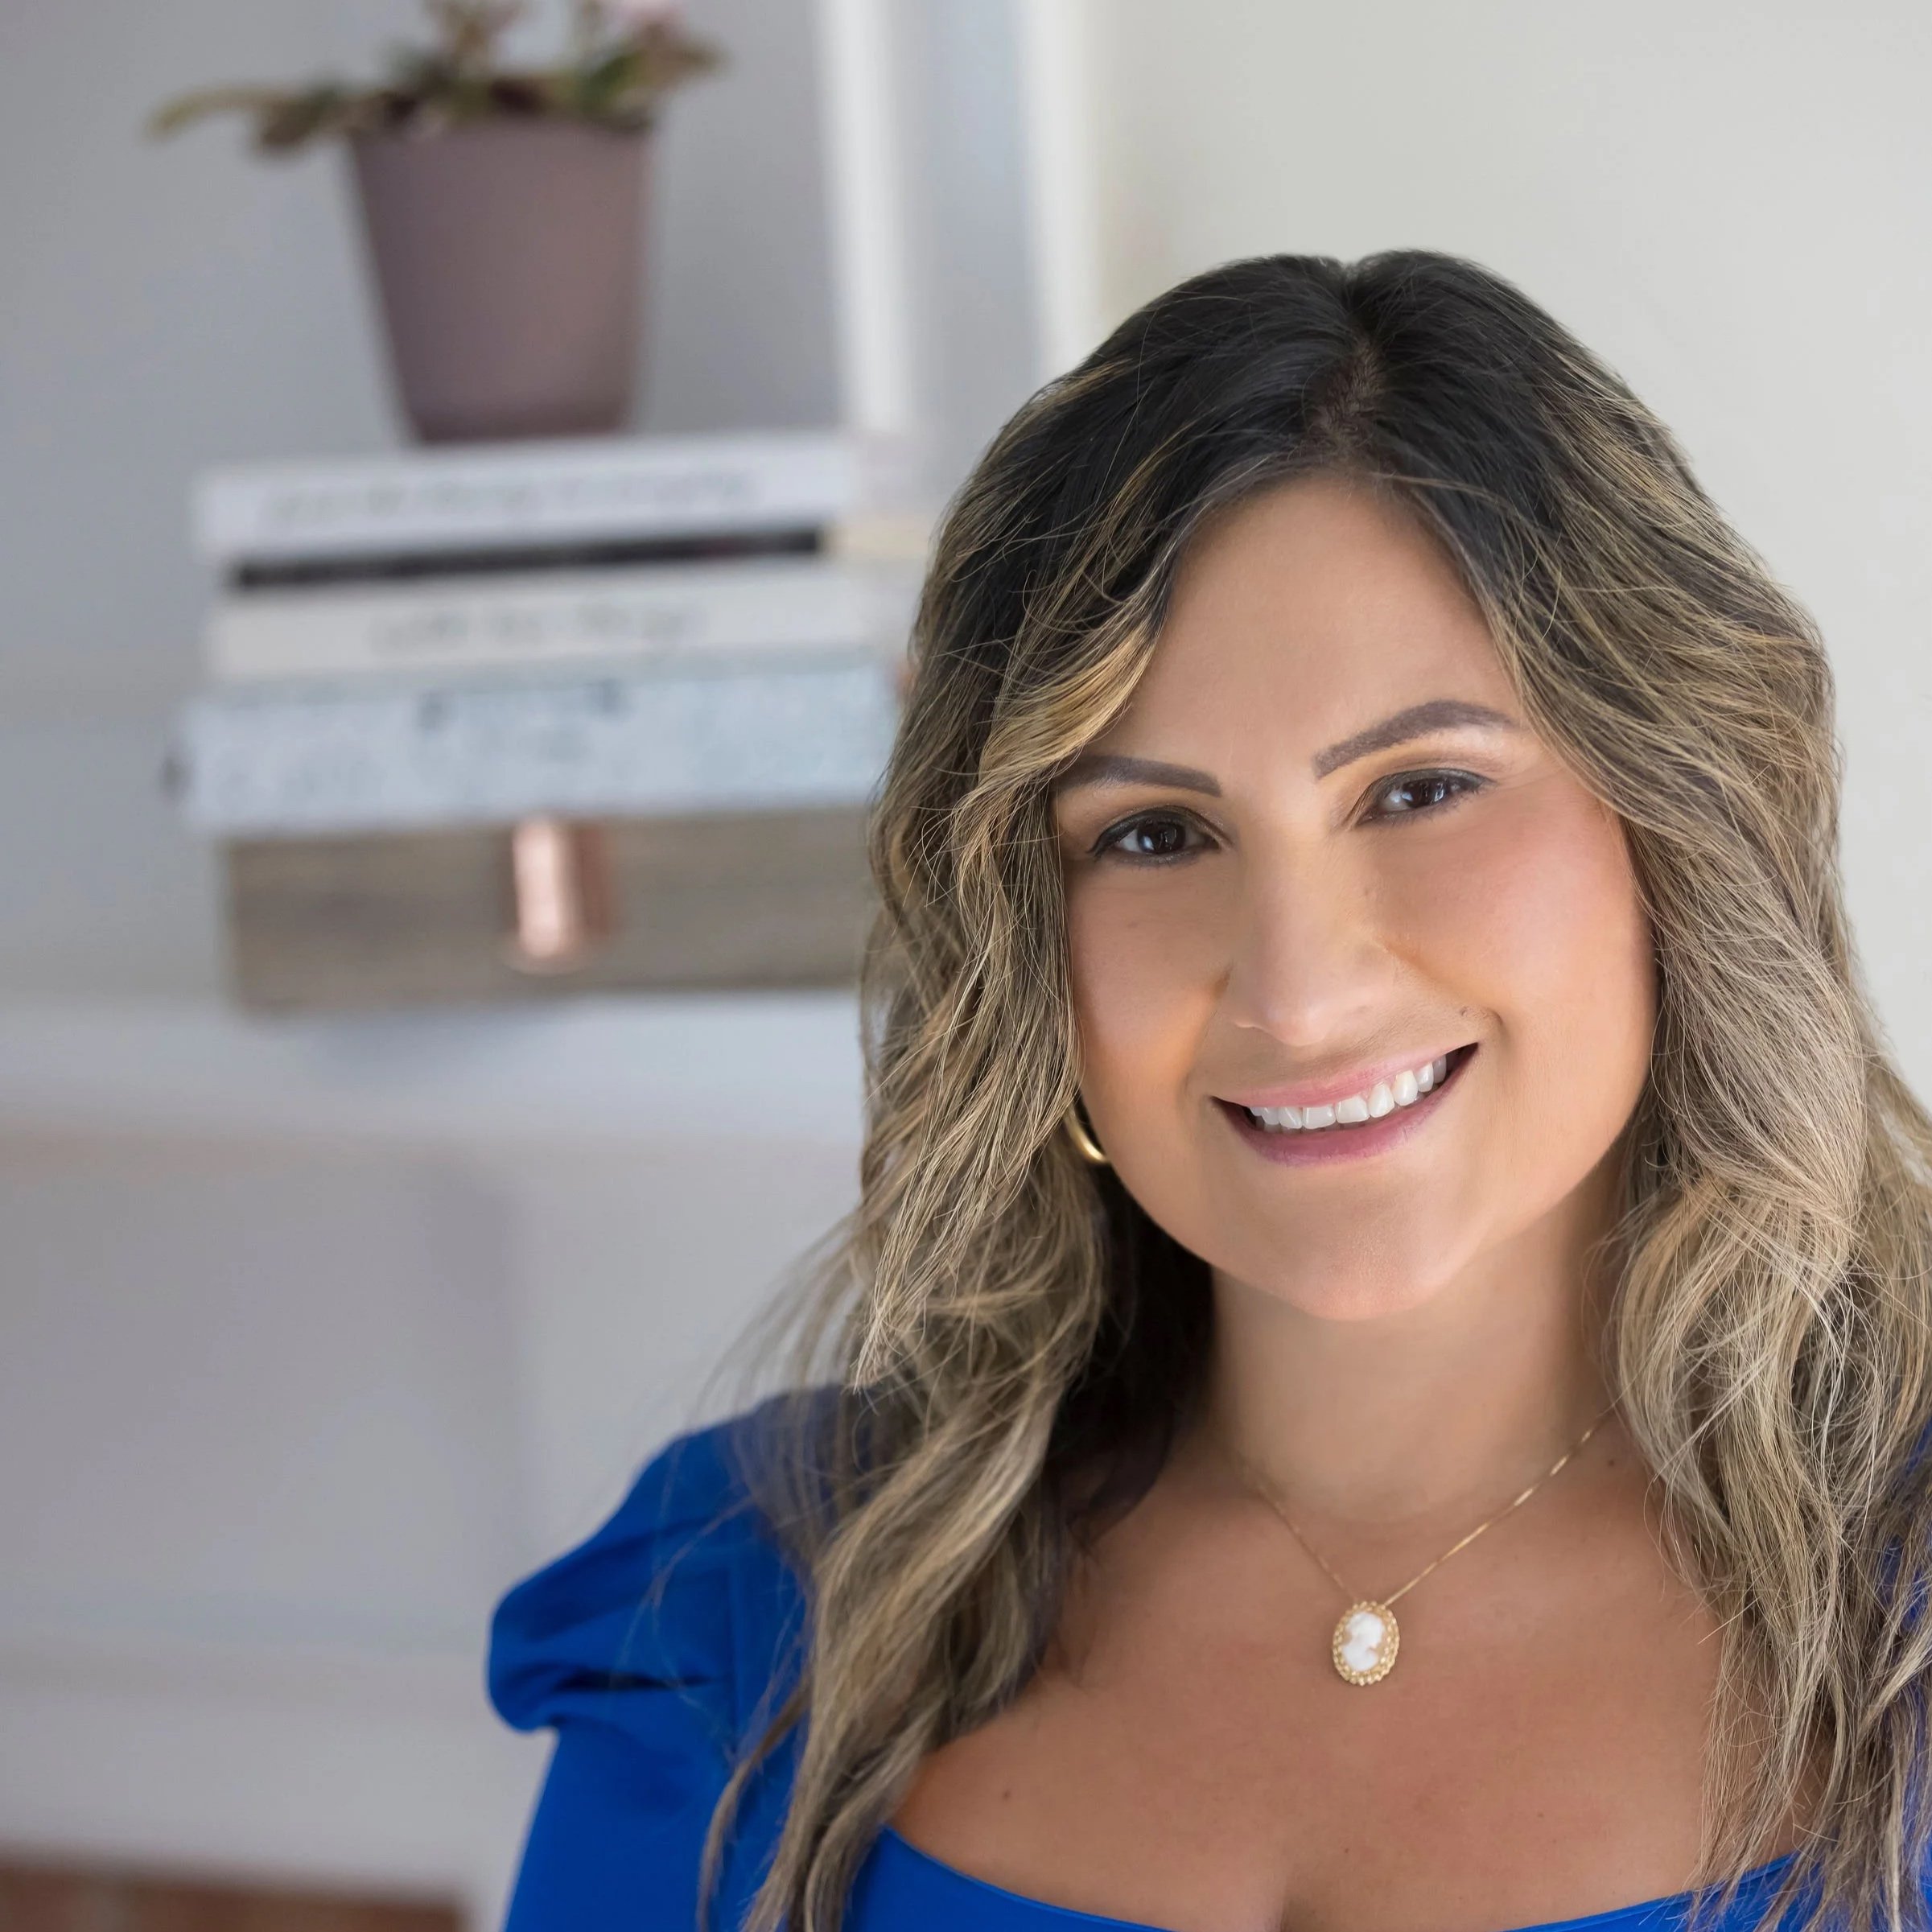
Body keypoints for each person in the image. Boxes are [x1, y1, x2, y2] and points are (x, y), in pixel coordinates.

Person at [485, 251, 1932, 1932]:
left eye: (1421, 787)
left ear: (1672, 825)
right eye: (1153, 835)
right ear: (1027, 940)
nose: (1299, 985)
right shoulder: (747, 1610)